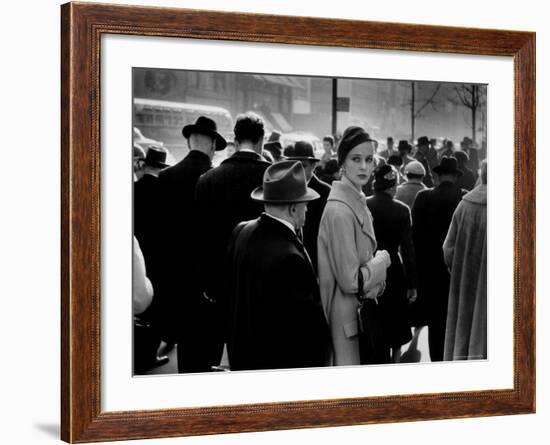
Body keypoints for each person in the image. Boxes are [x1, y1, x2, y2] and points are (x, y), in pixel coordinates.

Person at [226, 161, 330, 371]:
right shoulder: (290, 258)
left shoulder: (241, 230)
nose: (307, 209)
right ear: (293, 208)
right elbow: (307, 330)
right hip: (276, 367)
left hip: (241, 357)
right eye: (305, 203)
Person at [195, 112, 271, 360]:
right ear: (261, 140)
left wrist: (207, 283)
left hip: (220, 281)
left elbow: (202, 237)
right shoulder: (273, 178)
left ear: (235, 140)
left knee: (215, 354)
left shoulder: (207, 180)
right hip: (262, 281)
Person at [155, 115, 226, 373]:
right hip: (209, 287)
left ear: (188, 142)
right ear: (211, 146)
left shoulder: (166, 177)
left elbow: (159, 238)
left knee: (186, 359)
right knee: (210, 358)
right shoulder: (216, 178)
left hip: (176, 285)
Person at [318, 126, 391, 366]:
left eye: (368, 160)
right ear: (342, 163)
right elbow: (350, 281)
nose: (363, 166)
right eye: (356, 159)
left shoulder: (354, 201)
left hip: (357, 318)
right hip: (347, 322)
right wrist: (382, 262)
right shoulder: (340, 210)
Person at [411, 156, 467, 361]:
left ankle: (436, 361)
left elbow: (414, 236)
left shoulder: (423, 198)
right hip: (457, 271)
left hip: (430, 272)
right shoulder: (464, 198)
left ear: (437, 175)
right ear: (456, 176)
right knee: (456, 320)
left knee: (435, 322)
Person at [367, 165, 416, 363]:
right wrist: (412, 283)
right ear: (393, 186)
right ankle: (395, 359)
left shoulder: (364, 205)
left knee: (376, 315)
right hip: (394, 268)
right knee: (396, 317)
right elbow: (408, 248)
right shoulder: (402, 210)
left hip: (369, 265)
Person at [443, 160, 487, 361]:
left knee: (463, 330)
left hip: (465, 282)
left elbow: (448, 249)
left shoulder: (464, 204)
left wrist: (458, 268)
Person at [285, 140, 331, 273]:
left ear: (313, 165)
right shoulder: (286, 189)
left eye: (303, 166)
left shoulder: (326, 192)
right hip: (290, 261)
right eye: (295, 166)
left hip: (316, 264)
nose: (298, 171)